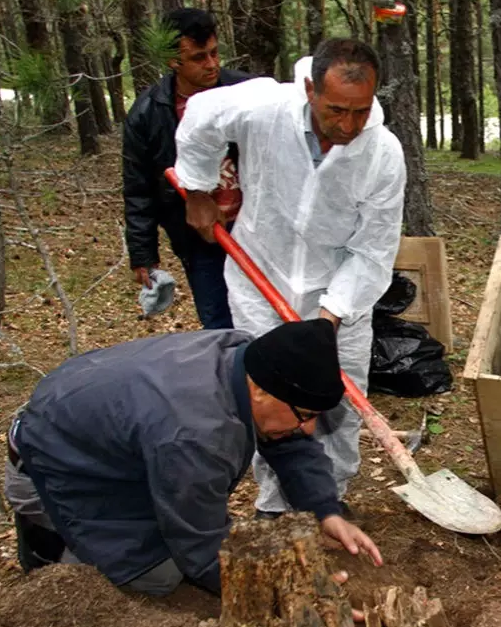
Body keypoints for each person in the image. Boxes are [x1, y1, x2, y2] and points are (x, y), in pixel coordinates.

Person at [173, 38, 405, 518]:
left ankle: (330, 502)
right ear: (309, 89)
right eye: (336, 110)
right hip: (262, 280)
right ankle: (276, 509)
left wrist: (329, 317)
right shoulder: (263, 107)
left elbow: (373, 250)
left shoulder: (383, 153)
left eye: (360, 112)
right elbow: (198, 118)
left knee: (336, 406)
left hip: (338, 294)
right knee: (270, 404)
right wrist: (197, 187)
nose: (348, 126)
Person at [5, 319, 383, 596]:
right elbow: (200, 548)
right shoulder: (194, 433)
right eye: (306, 415)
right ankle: (49, 549)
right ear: (262, 393)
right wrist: (286, 595)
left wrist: (325, 512)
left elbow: (291, 444)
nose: (310, 429)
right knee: (156, 576)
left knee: (175, 522)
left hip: (111, 439)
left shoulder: (246, 359)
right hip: (56, 462)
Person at [122, 7, 252, 329]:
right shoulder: (148, 113)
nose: (211, 64)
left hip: (256, 228)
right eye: (198, 57)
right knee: (219, 324)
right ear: (173, 61)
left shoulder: (245, 92)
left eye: (214, 53)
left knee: (267, 318)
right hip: (199, 238)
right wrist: (143, 254)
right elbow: (139, 187)